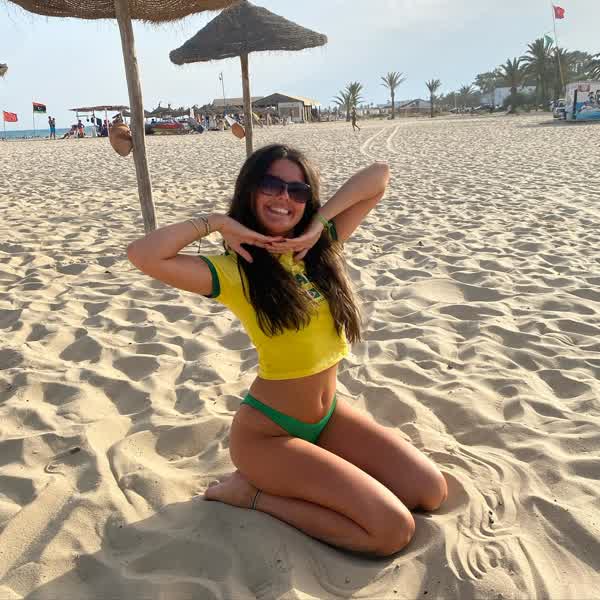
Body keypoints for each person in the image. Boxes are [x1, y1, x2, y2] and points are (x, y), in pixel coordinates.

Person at [127, 144, 447, 556]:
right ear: (250, 190)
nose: (284, 197)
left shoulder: (317, 250)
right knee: (392, 531)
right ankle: (251, 495)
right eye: (271, 185)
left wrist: (319, 223)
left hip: (327, 418)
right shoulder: (236, 270)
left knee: (430, 491)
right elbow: (143, 255)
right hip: (267, 437)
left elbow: (378, 175)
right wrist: (217, 222)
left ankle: (307, 469)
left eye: (297, 191)